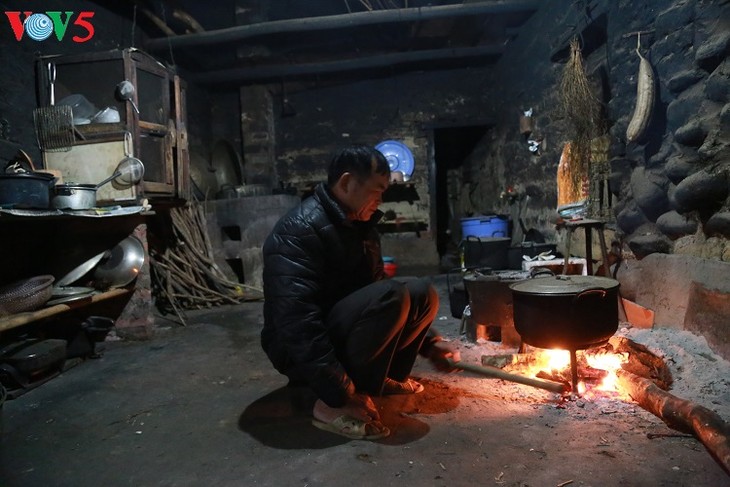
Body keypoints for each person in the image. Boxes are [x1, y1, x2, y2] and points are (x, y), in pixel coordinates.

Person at [261, 145, 458, 441]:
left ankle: (381, 379)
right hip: (299, 351)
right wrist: (339, 392)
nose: (380, 201)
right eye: (376, 191)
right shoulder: (298, 231)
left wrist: (430, 346)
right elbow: (298, 323)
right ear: (347, 183)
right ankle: (328, 404)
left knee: (421, 293)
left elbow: (374, 285)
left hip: (338, 330)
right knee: (391, 295)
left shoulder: (360, 225)